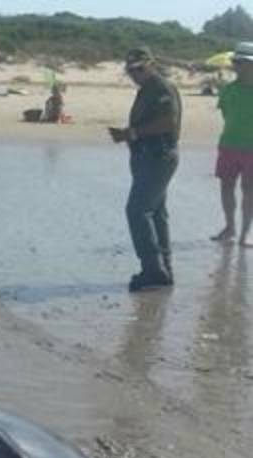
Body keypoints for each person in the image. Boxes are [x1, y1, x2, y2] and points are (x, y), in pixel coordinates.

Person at [108, 47, 181, 293]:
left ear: (151, 64)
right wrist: (129, 137)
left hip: (158, 157)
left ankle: (152, 269)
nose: (134, 74)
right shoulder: (146, 90)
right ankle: (163, 268)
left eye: (139, 69)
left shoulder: (161, 88)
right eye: (130, 70)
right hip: (147, 157)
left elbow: (167, 122)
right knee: (156, 213)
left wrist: (132, 133)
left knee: (137, 210)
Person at [210, 42, 253, 248]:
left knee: (249, 190)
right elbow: (227, 115)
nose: (236, 65)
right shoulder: (227, 90)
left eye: (241, 62)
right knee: (226, 187)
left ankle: (245, 233)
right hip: (228, 145)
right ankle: (230, 228)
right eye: (235, 62)